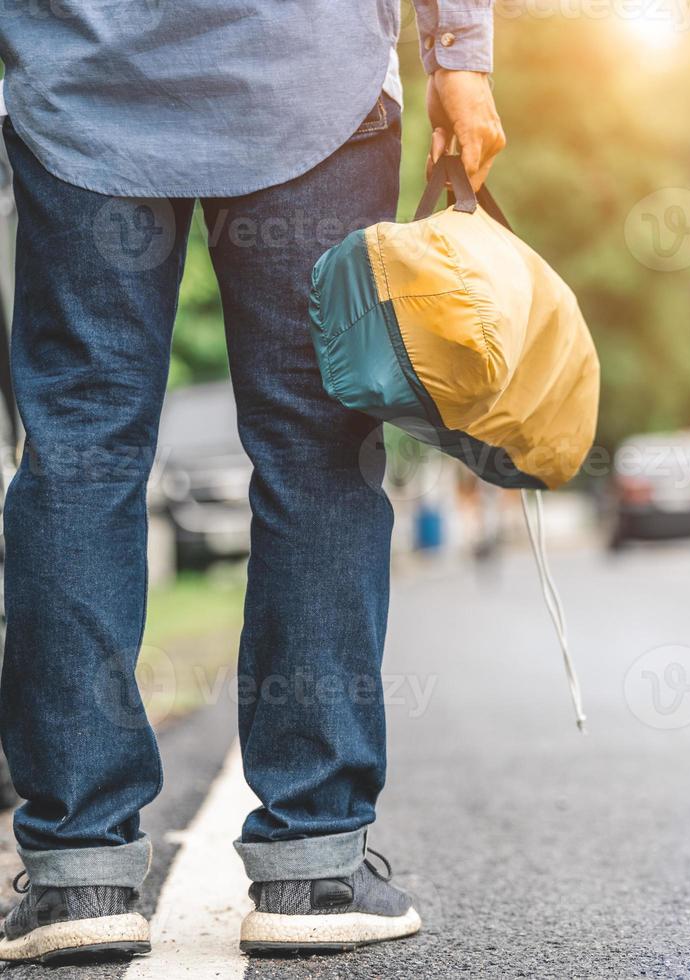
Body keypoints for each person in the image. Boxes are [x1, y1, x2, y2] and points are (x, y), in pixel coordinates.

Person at [0, 1, 505, 963]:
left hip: (84, 81)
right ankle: (314, 866)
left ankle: (78, 873)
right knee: (317, 455)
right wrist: (459, 57)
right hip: (305, 81)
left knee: (79, 456)